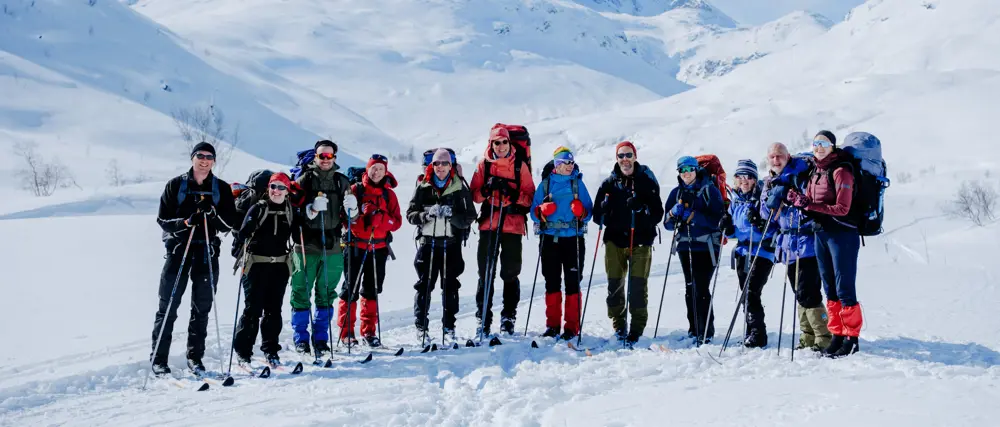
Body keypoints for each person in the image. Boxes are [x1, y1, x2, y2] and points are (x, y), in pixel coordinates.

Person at [150, 142, 238, 375]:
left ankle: (195, 357)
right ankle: (158, 359)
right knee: (167, 306)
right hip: (179, 250)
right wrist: (186, 222)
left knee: (202, 308)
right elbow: (162, 220)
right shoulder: (176, 185)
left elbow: (230, 223)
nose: (204, 160)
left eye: (209, 156)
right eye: (200, 155)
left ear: (214, 161)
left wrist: (212, 213)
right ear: (192, 158)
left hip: (207, 251)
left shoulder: (221, 188)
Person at [787, 130, 862, 357]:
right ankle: (837, 334)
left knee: (844, 287)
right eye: (816, 143)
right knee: (829, 288)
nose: (819, 147)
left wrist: (808, 205)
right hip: (821, 234)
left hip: (843, 235)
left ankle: (852, 338)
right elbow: (812, 203)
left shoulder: (841, 171)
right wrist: (799, 202)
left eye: (824, 143)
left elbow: (842, 209)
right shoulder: (815, 171)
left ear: (833, 146)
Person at [288, 140, 358, 357]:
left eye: (329, 156)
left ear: (335, 157)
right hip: (305, 245)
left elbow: (351, 219)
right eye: (321, 156)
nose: (325, 160)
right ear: (315, 157)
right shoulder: (304, 180)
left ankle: (320, 339)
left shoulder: (342, 181)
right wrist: (309, 210)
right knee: (301, 290)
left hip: (333, 246)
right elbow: (291, 209)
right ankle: (301, 338)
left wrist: (353, 210)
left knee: (327, 292)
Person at [591, 141, 664, 347]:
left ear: (635, 156)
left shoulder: (646, 181)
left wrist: (641, 209)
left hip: (641, 240)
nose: (625, 159)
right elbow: (597, 217)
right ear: (617, 158)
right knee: (615, 285)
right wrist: (603, 210)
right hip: (614, 240)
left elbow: (657, 213)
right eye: (621, 155)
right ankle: (618, 325)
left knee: (637, 286)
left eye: (628, 155)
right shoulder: (608, 184)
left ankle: (637, 329)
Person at [761, 142, 832, 352]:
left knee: (809, 292)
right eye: (772, 156)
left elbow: (813, 203)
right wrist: (772, 200)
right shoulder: (770, 182)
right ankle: (808, 337)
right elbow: (767, 216)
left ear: (788, 156)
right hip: (789, 247)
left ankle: (824, 337)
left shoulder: (803, 174)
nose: (776, 160)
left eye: (780, 156)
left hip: (808, 243)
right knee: (799, 292)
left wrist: (795, 198)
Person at [470, 127, 535, 336]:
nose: (500, 146)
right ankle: (483, 318)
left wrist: (513, 195)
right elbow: (474, 195)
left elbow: (530, 196)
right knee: (485, 272)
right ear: (491, 144)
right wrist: (487, 189)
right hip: (489, 223)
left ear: (509, 143)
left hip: (513, 225)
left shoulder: (519, 166)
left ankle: (508, 317)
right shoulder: (483, 166)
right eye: (496, 143)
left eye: (504, 142)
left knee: (510, 273)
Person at [407, 149, 477, 345]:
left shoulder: (460, 187)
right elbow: (411, 214)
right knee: (424, 286)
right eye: (437, 164)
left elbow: (470, 216)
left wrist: (452, 215)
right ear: (432, 166)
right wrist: (425, 216)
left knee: (450, 286)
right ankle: (421, 327)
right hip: (428, 244)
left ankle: (449, 327)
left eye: (444, 164)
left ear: (451, 166)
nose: (440, 167)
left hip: (451, 244)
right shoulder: (423, 186)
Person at [529, 147, 593, 341]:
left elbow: (589, 212)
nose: (569, 166)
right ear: (557, 164)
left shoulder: (578, 184)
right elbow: (533, 212)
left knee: (573, 282)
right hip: (549, 238)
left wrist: (581, 212)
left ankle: (572, 327)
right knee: (552, 281)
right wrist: (541, 211)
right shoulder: (545, 185)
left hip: (573, 237)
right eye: (565, 162)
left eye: (571, 162)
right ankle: (553, 326)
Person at [231, 172, 295, 366]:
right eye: (273, 186)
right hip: (256, 265)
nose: (276, 191)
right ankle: (243, 352)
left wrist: (312, 214)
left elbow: (301, 231)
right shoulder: (258, 208)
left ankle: (271, 350)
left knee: (273, 310)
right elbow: (242, 234)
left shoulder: (290, 211)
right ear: (268, 188)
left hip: (280, 266)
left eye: (281, 187)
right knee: (253, 310)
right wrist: (244, 236)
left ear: (287, 190)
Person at [338, 154, 403, 347]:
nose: (376, 172)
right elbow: (345, 219)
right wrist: (358, 217)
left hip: (379, 248)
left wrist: (380, 217)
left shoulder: (388, 194)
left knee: (372, 290)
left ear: (385, 171)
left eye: (380, 169)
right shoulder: (355, 190)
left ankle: (369, 332)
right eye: (373, 168)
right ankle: (346, 332)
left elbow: (397, 222)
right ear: (368, 169)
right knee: (350, 288)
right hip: (355, 246)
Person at [663, 155, 724, 345]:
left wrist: (694, 217)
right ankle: (694, 329)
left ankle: (705, 331)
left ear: (696, 169)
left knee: (700, 287)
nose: (686, 173)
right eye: (682, 170)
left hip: (706, 246)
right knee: (690, 287)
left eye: (690, 169)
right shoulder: (676, 193)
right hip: (685, 245)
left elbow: (719, 220)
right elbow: (666, 224)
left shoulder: (709, 191)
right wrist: (674, 213)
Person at [721, 159, 776, 348]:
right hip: (743, 251)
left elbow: (772, 226)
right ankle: (750, 330)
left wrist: (760, 223)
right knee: (746, 294)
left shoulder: (762, 197)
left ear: (754, 179)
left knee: (752, 291)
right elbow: (736, 231)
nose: (744, 180)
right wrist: (727, 228)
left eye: (748, 177)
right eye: (740, 177)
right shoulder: (736, 200)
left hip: (762, 251)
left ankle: (758, 333)